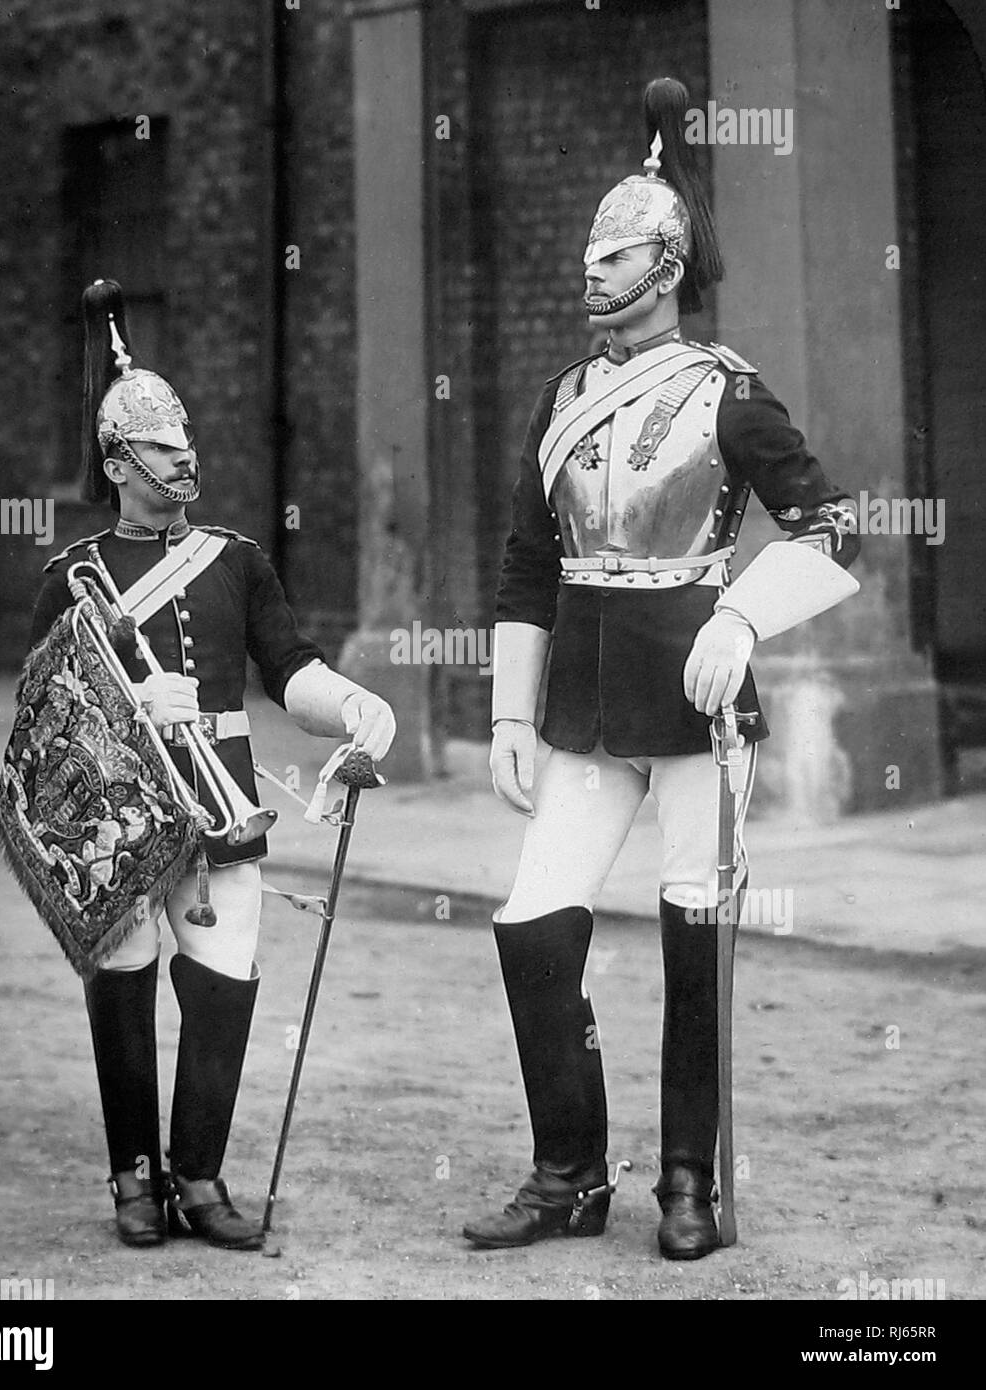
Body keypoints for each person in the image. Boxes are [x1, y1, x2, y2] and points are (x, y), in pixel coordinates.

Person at [462, 79, 859, 1259]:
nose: (592, 269)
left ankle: (687, 1180)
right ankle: (569, 1174)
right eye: (590, 252)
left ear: (668, 265)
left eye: (616, 252)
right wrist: (508, 714)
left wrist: (739, 619)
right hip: (585, 705)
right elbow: (527, 566)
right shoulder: (561, 397)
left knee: (695, 930)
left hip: (696, 701)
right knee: (533, 921)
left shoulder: (727, 392)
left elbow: (829, 528)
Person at [27, 279, 395, 1252]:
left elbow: (291, 669)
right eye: (161, 446)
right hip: (118, 816)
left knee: (225, 984)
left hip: (222, 804)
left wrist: (351, 703)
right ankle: (133, 1178)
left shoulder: (237, 560)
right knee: (124, 984)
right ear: (117, 462)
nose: (184, 455)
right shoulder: (71, 576)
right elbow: (44, 725)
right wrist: (122, 710)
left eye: (186, 437)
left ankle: (197, 1176)